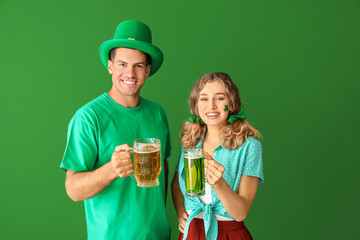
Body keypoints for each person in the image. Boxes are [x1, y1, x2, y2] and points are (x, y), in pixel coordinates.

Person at [60, 20, 171, 240]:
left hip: (158, 235)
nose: (129, 73)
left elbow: (163, 169)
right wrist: (112, 169)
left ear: (147, 70)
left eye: (138, 65)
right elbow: (73, 189)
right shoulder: (89, 117)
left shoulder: (158, 113)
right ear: (110, 66)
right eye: (122, 64)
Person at [171, 72, 264, 240]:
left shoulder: (250, 147)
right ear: (196, 106)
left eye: (220, 98)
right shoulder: (190, 142)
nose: (211, 106)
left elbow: (240, 212)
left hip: (229, 233)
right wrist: (180, 214)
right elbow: (177, 184)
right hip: (191, 233)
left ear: (232, 104)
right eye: (204, 99)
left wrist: (218, 183)